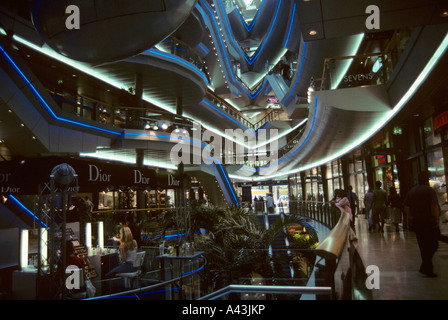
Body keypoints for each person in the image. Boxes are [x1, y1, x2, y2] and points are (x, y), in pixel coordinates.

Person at [404, 171, 440, 277]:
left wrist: (410, 217)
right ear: (426, 180)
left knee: (423, 244)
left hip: (417, 222)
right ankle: (426, 266)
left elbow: (406, 205)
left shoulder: (412, 191)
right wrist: (436, 219)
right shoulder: (430, 190)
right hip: (429, 221)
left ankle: (426, 267)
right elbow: (434, 206)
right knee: (434, 243)